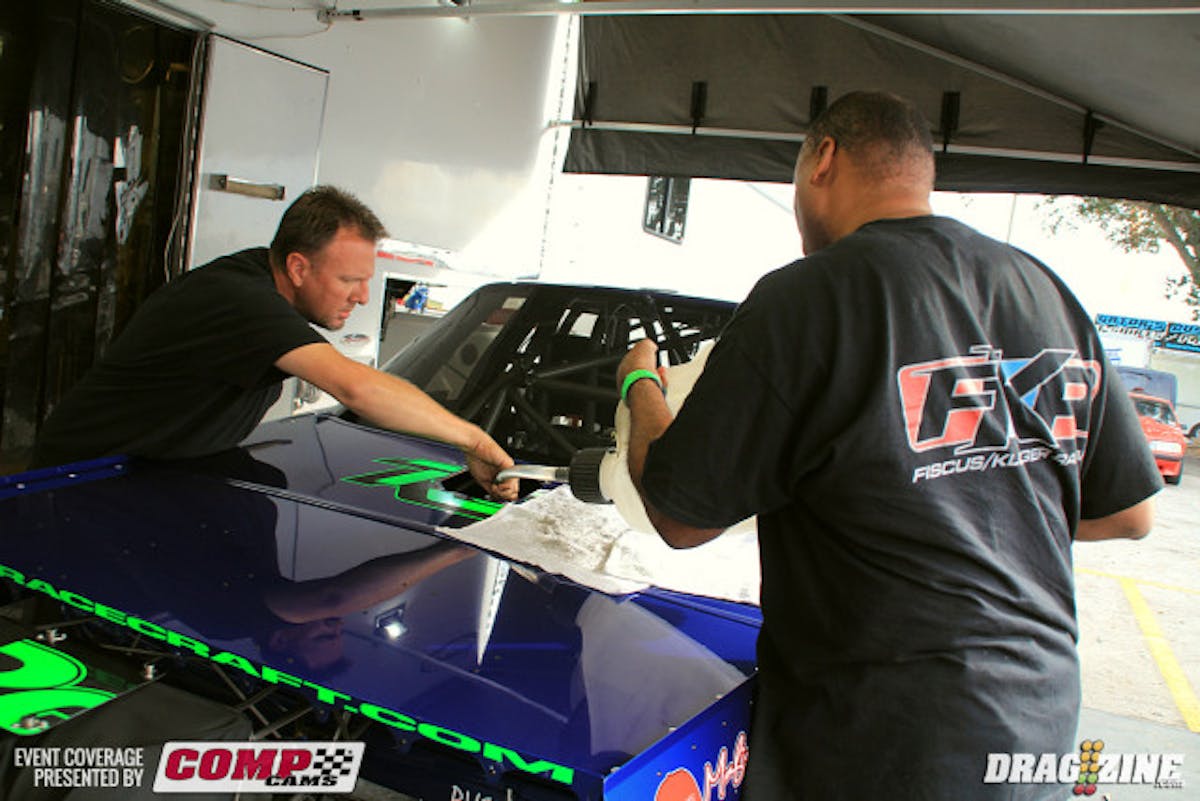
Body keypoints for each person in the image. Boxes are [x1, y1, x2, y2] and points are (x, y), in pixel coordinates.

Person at [616, 91, 1160, 799]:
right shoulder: (1043, 290)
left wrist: (640, 385)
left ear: (823, 159)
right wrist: (978, 493)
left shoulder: (808, 297)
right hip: (1037, 728)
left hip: (878, 745)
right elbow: (1128, 511)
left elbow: (680, 515)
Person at [31, 186, 516, 500]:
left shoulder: (258, 277)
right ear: (298, 267)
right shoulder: (241, 301)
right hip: (76, 481)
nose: (363, 296)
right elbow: (357, 389)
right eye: (349, 280)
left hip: (150, 474)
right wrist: (474, 440)